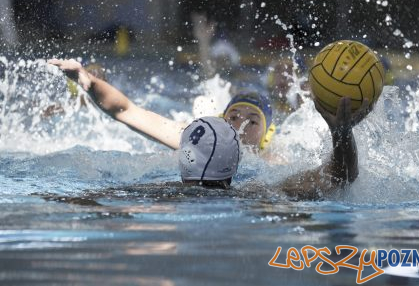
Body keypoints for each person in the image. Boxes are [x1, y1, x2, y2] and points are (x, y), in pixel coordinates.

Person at [48, 58, 370, 199]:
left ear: (268, 134)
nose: (240, 124)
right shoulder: (198, 142)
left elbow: (336, 176)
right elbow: (127, 110)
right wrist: (88, 82)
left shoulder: (266, 178)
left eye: (252, 120)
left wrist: (341, 134)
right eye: (233, 117)